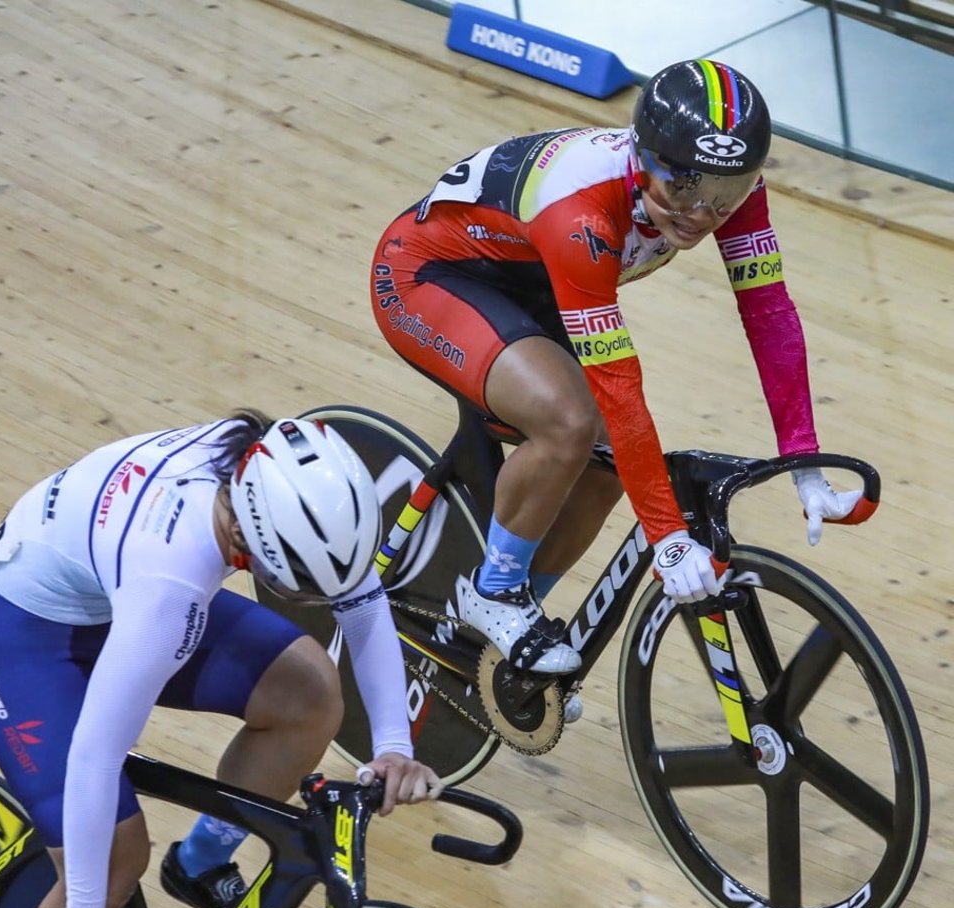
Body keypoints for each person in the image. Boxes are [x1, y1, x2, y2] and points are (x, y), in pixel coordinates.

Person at [0, 411, 441, 908]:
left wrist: (394, 743)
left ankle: (202, 859)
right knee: (110, 859)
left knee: (310, 695)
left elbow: (362, 602)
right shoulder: (173, 574)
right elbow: (94, 751)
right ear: (252, 544)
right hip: (15, 632)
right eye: (299, 586)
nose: (314, 596)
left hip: (104, 592)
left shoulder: (283, 485)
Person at [369, 58, 862, 684]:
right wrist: (666, 537)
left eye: (724, 195)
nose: (701, 213)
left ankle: (509, 626)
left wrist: (804, 456)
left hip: (534, 286)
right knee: (571, 423)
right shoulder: (581, 212)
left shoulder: (725, 187)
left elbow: (768, 312)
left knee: (606, 468)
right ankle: (493, 592)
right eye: (680, 188)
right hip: (430, 277)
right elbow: (619, 385)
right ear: (640, 156)